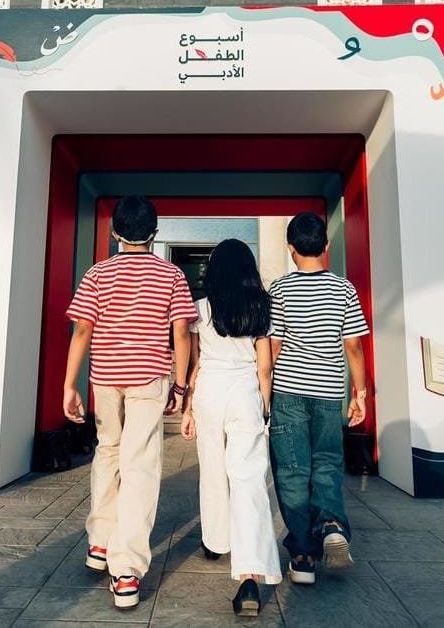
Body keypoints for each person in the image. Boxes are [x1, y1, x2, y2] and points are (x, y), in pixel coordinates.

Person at [62, 195, 197, 610]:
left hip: (105, 378)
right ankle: (126, 571)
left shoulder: (97, 273)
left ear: (114, 231)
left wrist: (69, 385)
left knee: (108, 452)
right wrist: (180, 386)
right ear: (154, 233)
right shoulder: (171, 274)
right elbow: (181, 333)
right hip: (149, 378)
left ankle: (100, 543)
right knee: (140, 465)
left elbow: (82, 330)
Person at [180, 239, 282, 617]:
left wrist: (188, 407)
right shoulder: (261, 306)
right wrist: (265, 406)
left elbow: (196, 363)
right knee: (249, 479)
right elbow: (264, 366)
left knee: (212, 471)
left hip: (210, 392)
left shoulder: (200, 308)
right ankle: (249, 573)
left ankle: (216, 541)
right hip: (245, 392)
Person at [267, 211, 369, 585]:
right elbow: (353, 345)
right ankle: (331, 526)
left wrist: (264, 390)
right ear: (326, 246)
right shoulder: (344, 289)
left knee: (293, 470)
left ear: (290, 248)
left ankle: (303, 557)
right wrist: (359, 393)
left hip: (288, 391)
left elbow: (274, 345)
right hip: (328, 392)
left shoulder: (279, 289)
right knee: (327, 461)